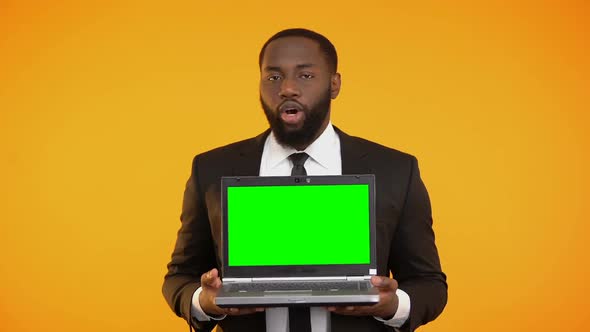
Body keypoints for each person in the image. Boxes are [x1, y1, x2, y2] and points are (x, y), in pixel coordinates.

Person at [162, 28, 447, 332]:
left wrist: (394, 305)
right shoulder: (212, 169)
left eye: (305, 76)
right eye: (273, 77)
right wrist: (203, 302)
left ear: (334, 84)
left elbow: (428, 284)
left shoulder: (395, 170)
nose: (286, 88)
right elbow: (180, 276)